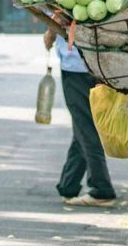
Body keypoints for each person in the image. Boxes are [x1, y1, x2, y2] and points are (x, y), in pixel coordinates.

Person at [44, 25, 117, 207]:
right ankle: (68, 185)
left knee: (85, 126)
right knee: (82, 125)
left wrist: (50, 33)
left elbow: (57, 20)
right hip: (103, 63)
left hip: (76, 66)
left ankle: (101, 189)